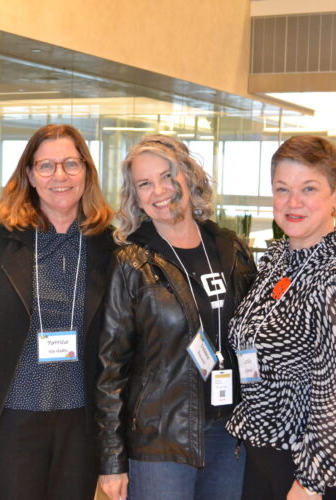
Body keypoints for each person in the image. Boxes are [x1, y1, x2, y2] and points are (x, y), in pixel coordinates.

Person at [226, 135, 336, 499]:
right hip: (266, 453)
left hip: (313, 471)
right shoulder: (278, 261)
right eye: (282, 189)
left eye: (309, 188)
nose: (293, 202)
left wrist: (311, 482)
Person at [95, 135, 257, 500]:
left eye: (168, 176)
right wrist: (111, 461)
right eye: (145, 184)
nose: (160, 191)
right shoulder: (132, 262)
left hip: (229, 433)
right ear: (135, 196)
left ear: (188, 176)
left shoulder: (229, 247)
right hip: (161, 441)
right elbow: (110, 369)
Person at [0, 124, 115, 500]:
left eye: (71, 163)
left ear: (86, 171)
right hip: (10, 415)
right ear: (30, 175)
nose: (60, 176)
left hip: (81, 419)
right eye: (46, 166)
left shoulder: (107, 244)